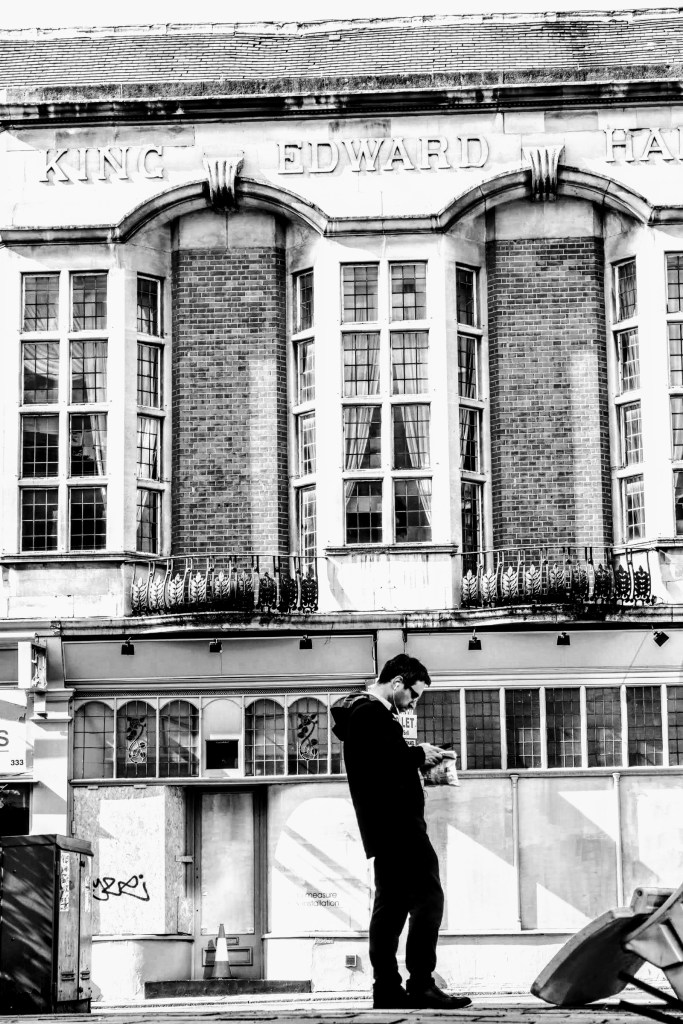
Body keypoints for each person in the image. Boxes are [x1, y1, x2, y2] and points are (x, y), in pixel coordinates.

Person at [331, 653, 472, 1010]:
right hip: (400, 828)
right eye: (413, 694)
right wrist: (418, 754)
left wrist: (417, 765)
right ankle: (421, 984)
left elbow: (379, 765)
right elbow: (385, 763)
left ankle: (388, 989)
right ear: (397, 683)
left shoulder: (366, 715)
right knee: (429, 900)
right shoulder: (370, 713)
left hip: (387, 828)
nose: (413, 702)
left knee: (391, 908)